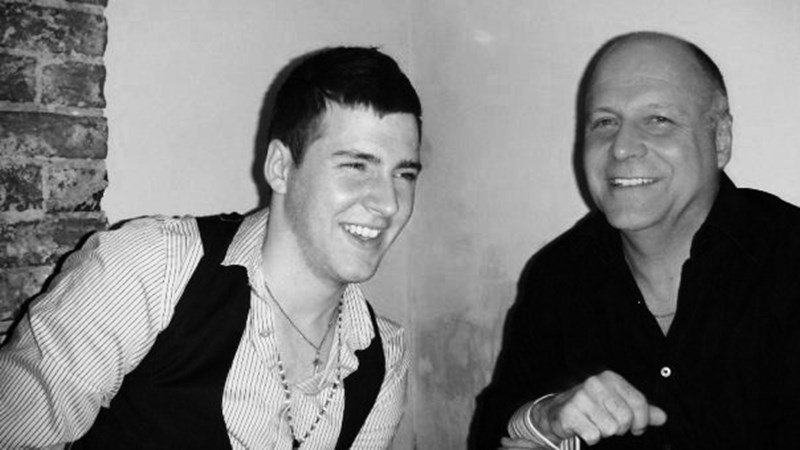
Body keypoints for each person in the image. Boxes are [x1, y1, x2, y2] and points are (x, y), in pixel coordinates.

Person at [0, 46, 422, 449]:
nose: (389, 203)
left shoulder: (385, 359)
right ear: (280, 168)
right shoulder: (151, 270)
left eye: (404, 174)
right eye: (356, 165)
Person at [471, 31, 800, 449]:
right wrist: (544, 418)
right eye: (605, 122)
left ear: (720, 139)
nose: (622, 148)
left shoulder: (789, 258)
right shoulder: (558, 276)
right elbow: (492, 432)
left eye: (658, 120)